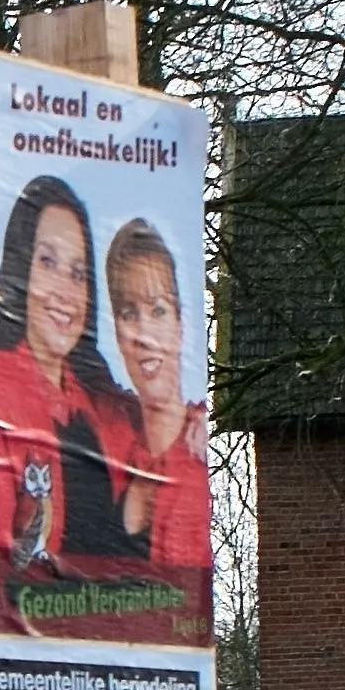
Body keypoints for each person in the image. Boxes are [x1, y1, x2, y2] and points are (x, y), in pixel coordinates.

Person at [0, 176, 136, 578]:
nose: (65, 290)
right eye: (48, 262)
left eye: (78, 273)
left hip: (107, 627)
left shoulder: (102, 402)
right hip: (25, 626)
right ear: (21, 272)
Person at [104, 221, 212, 580]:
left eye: (158, 310)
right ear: (117, 333)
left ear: (181, 326)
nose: (144, 335)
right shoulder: (105, 441)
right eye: (128, 313)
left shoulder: (198, 458)